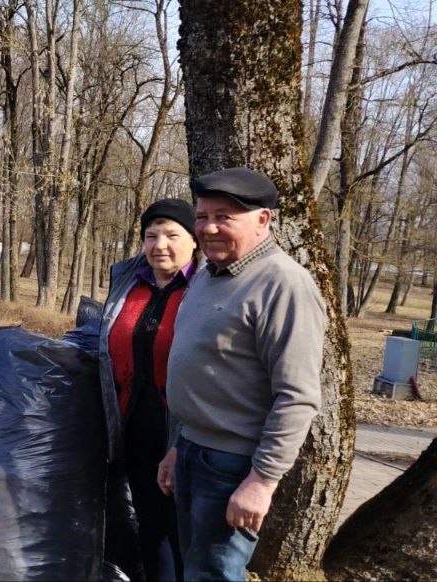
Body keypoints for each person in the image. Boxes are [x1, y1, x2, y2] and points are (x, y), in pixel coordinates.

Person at [162, 167, 327, 581]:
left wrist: (262, 481)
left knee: (214, 574)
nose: (209, 227)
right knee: (193, 568)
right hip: (191, 451)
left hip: (234, 466)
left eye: (224, 216)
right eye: (202, 216)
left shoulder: (284, 284)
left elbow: (297, 397)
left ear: (263, 220)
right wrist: (175, 446)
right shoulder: (207, 276)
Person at [100, 199, 199, 581]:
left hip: (186, 427)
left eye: (172, 235)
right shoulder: (128, 279)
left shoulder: (205, 286)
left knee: (184, 530)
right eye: (151, 235)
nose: (160, 244)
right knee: (151, 525)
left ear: (194, 241)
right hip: (135, 421)